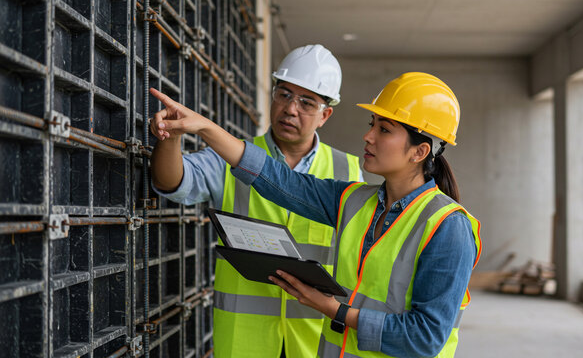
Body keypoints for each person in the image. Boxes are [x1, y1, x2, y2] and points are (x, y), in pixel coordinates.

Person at [150, 72, 481, 357]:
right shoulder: (353, 201)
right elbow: (279, 181)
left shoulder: (448, 227)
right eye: (373, 125)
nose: (368, 136)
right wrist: (205, 128)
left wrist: (333, 310)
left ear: (419, 151)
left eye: (384, 130)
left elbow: (424, 337)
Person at [150, 44, 363, 357]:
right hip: (244, 341)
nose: (291, 108)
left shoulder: (348, 171)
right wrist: (172, 135)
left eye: (306, 102)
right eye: (284, 94)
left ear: (325, 115)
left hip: (313, 340)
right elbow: (171, 182)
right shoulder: (231, 155)